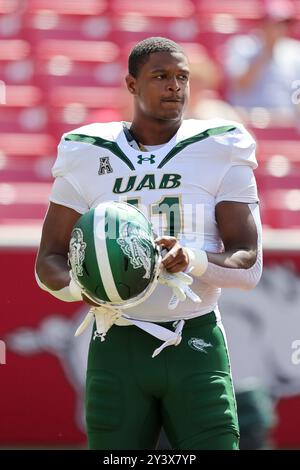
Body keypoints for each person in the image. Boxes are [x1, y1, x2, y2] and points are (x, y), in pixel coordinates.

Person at [35, 36, 263, 450]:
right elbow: (48, 258)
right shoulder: (86, 153)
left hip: (194, 336)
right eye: (160, 76)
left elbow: (248, 264)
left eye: (182, 77)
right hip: (115, 340)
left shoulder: (219, 146)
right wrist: (85, 286)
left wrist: (191, 259)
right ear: (132, 84)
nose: (175, 86)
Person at [224, 0, 300, 121]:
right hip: (247, 117)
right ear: (262, 23)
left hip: (285, 120)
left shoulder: (295, 50)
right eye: (274, 23)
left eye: (284, 23)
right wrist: (266, 51)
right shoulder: (241, 46)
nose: (279, 28)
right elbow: (240, 84)